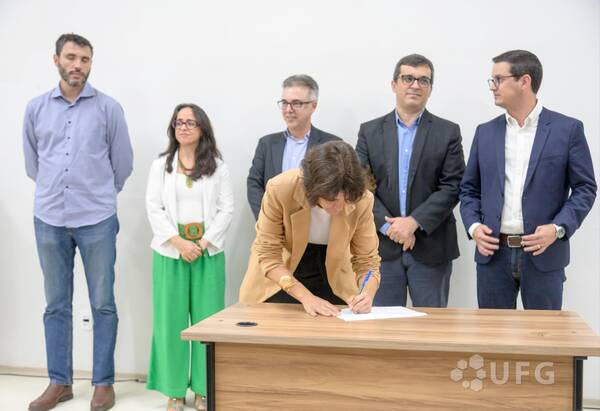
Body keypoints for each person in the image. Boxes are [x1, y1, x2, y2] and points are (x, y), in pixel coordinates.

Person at [24, 33, 133, 411]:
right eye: (71, 57)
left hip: (96, 219)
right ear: (56, 59)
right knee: (56, 305)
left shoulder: (109, 109)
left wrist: (98, 194)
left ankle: (103, 383)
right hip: (49, 218)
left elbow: (123, 164)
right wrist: (56, 190)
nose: (78, 66)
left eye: (84, 59)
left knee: (103, 303)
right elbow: (33, 164)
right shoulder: (36, 108)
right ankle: (60, 382)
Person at [460, 50, 597, 310]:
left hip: (544, 254)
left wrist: (557, 228)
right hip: (492, 256)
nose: (492, 86)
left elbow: (585, 188)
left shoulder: (567, 129)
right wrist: (474, 227)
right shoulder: (485, 132)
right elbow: (469, 189)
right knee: (493, 334)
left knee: (544, 335)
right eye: (492, 80)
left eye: (498, 79)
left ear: (524, 81)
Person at [356, 54, 465, 308]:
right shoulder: (369, 131)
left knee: (431, 325)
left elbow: (453, 186)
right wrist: (391, 229)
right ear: (394, 84)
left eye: (423, 80)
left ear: (430, 89)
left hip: (431, 247)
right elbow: (361, 187)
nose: (415, 85)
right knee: (382, 325)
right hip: (380, 249)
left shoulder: (448, 132)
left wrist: (414, 222)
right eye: (408, 78)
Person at [145, 104, 234, 411]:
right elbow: (153, 207)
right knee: (170, 321)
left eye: (190, 122)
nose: (183, 127)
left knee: (208, 321)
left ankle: (204, 389)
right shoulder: (161, 165)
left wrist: (203, 242)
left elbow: (227, 209)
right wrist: (179, 242)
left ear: (202, 128)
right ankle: (174, 390)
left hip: (207, 251)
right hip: (170, 251)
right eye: (178, 122)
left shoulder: (218, 166)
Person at [240, 140, 381, 316]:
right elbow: (268, 254)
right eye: (331, 200)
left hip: (333, 276)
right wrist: (306, 297)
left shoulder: (362, 199)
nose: (339, 207)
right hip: (280, 275)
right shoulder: (281, 188)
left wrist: (367, 295)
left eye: (346, 200)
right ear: (312, 189)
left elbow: (367, 261)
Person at [247, 74, 340, 220]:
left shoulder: (332, 145)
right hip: (272, 225)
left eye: (296, 103)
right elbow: (254, 184)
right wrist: (267, 220)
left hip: (316, 226)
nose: (288, 110)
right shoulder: (267, 144)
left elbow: (336, 189)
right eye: (285, 103)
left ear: (313, 106)